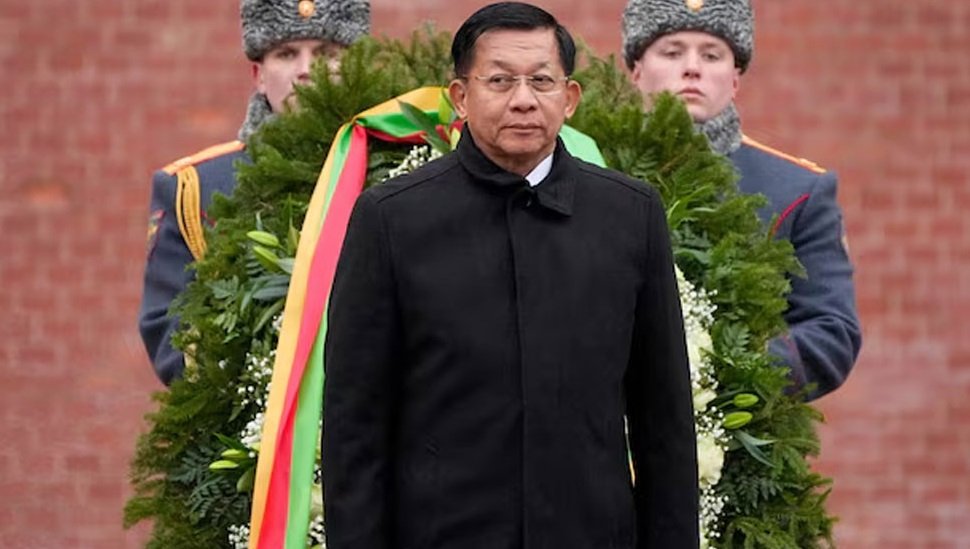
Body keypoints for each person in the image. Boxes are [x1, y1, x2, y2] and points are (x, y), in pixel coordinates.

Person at [322, 3, 699, 548]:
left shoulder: (629, 215)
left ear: (569, 98)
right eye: (499, 81)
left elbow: (663, 421)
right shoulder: (392, 219)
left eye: (541, 81)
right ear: (460, 96)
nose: (523, 99)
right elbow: (355, 425)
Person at [622, 0, 862, 400]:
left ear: (735, 78)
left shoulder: (797, 190)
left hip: (740, 423)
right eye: (672, 52)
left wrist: (720, 368)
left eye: (712, 55)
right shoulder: (590, 165)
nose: (692, 68)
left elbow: (832, 332)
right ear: (636, 70)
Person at [138, 0, 370, 385]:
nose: (306, 70)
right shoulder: (194, 189)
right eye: (286, 54)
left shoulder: (407, 167)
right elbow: (172, 339)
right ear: (258, 75)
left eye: (326, 53)